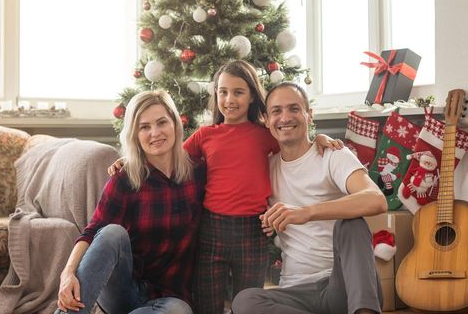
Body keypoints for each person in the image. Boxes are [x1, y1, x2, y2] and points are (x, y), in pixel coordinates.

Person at [183, 60, 342, 314]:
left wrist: (319, 138)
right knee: (206, 304)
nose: (229, 99)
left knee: (247, 302)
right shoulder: (205, 135)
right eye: (223, 92)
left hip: (253, 230)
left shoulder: (265, 134)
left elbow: (297, 146)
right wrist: (129, 159)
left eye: (238, 92)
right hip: (212, 229)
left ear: (251, 97)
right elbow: (171, 160)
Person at [231, 82, 387, 314]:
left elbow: (376, 200)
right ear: (266, 119)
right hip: (295, 292)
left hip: (343, 286)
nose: (285, 117)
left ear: (309, 115)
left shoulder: (333, 155)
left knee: (352, 224)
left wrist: (306, 212)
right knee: (245, 301)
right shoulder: (265, 168)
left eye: (294, 109)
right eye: (276, 111)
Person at [55, 90, 206, 314]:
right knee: (111, 232)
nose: (155, 133)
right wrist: (67, 273)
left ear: (175, 123)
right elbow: (93, 232)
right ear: (135, 134)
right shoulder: (125, 178)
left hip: (171, 297)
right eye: (144, 127)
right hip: (124, 289)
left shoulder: (197, 172)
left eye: (161, 122)